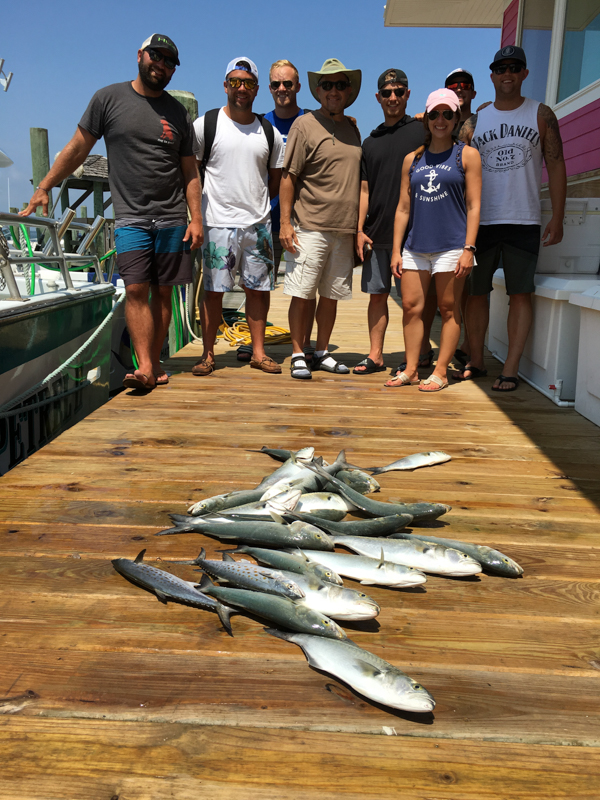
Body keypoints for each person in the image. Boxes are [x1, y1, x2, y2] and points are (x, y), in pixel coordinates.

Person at [21, 34, 203, 392]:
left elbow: (190, 172)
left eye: (169, 62)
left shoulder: (178, 113)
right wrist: (45, 185)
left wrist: (196, 218)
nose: (161, 65)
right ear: (140, 55)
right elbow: (77, 148)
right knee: (135, 288)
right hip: (131, 217)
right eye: (156, 56)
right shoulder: (108, 98)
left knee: (164, 292)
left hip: (171, 217)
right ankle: (146, 367)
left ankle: (154, 361)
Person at [456, 45, 566, 391]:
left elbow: (557, 165)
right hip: (481, 221)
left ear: (524, 74)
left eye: (514, 67)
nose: (507, 73)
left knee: (520, 293)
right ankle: (476, 358)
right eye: (501, 68)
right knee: (476, 293)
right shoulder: (473, 123)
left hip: (524, 218)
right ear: (492, 75)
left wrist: (558, 216)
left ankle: (512, 367)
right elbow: (456, 171)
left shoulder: (541, 115)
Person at [192, 57, 285, 376]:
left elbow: (275, 179)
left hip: (258, 225)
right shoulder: (206, 125)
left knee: (258, 290)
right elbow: (191, 172)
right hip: (217, 224)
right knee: (214, 291)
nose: (241, 87)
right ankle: (208, 354)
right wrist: (195, 217)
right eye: (235, 81)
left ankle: (258, 353)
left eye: (247, 82)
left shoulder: (269, 131)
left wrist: (255, 205)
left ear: (257, 89)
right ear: (225, 85)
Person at [386, 88, 481, 392]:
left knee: (449, 308)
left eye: (447, 114)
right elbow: (403, 208)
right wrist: (396, 250)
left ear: (455, 118)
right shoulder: (411, 159)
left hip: (452, 246)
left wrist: (468, 248)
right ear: (426, 119)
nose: (441, 120)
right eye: (434, 114)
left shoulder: (466, 154)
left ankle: (440, 370)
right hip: (415, 246)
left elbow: (474, 206)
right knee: (412, 307)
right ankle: (411, 369)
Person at [279, 58, 362, 380]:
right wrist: (286, 223)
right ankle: (299, 352)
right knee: (302, 294)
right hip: (308, 225)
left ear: (348, 90)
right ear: (317, 90)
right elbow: (289, 176)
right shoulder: (304, 124)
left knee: (331, 296)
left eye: (340, 85)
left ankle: (322, 351)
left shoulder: (353, 128)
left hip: (343, 229)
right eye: (327, 85)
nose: (333, 90)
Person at [353, 68, 425, 375]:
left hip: (415, 233)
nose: (393, 97)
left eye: (399, 91)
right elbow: (364, 189)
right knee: (377, 296)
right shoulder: (370, 142)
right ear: (378, 98)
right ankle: (376, 355)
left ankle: (418, 356)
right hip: (377, 231)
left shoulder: (423, 131)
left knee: (413, 302)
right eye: (387, 93)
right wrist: (359, 229)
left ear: (408, 94)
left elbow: (456, 125)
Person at [445, 67, 478, 367]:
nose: (459, 88)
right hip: (446, 217)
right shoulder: (437, 121)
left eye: (465, 85)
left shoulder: (482, 120)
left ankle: (469, 342)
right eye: (453, 85)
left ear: (473, 91)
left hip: (474, 213)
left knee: (470, 288)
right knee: (448, 291)